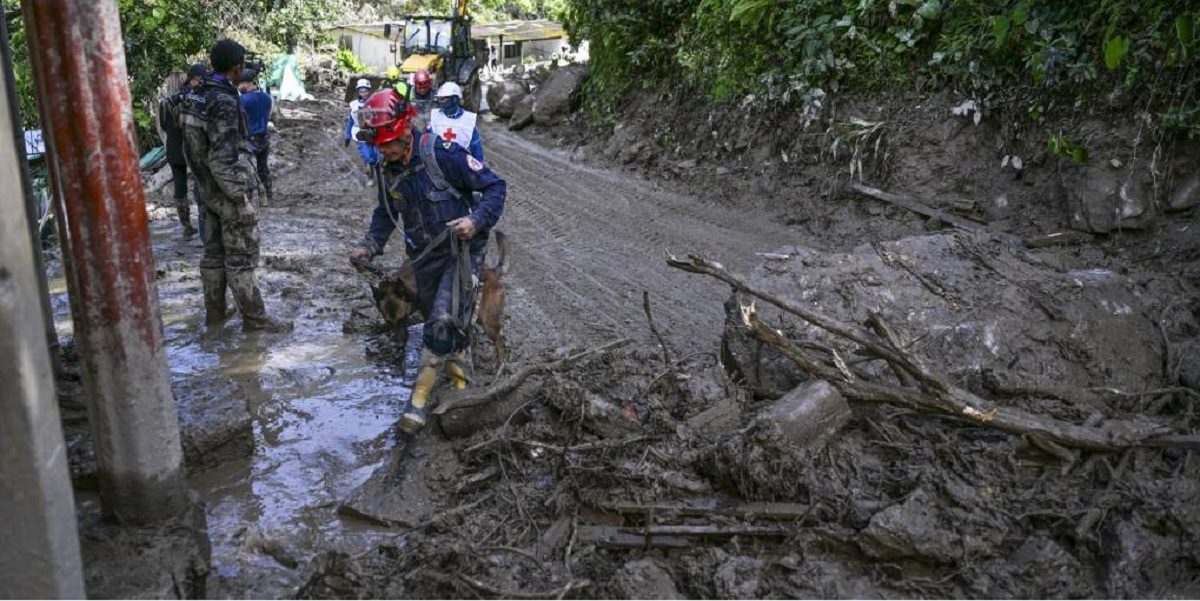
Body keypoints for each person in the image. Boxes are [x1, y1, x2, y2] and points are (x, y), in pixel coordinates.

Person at [348, 89, 506, 433]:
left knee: (440, 323)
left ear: (405, 131)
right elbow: (385, 213)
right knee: (449, 326)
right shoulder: (388, 169)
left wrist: (475, 221)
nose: (383, 150)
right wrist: (369, 246)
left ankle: (416, 404)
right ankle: (464, 387)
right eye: (379, 144)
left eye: (388, 143)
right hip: (423, 259)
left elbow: (496, 187)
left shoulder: (443, 154)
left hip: (461, 254)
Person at [181, 38, 293, 333]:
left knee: (213, 254)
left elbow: (194, 149)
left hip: (206, 190)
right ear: (236, 67)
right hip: (228, 193)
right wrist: (242, 198)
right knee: (241, 258)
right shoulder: (224, 102)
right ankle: (255, 319)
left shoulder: (194, 96)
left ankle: (215, 315)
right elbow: (223, 158)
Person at [159, 63, 208, 237]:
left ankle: (186, 225)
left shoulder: (165, 103)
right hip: (192, 147)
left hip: (173, 147)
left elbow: (164, 126)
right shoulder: (193, 98)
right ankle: (204, 221)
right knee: (200, 183)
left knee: (180, 188)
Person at [238, 68, 274, 202]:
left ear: (246, 84)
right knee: (263, 168)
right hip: (264, 137)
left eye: (239, 84)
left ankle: (249, 198)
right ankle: (268, 195)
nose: (238, 87)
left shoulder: (242, 100)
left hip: (250, 139)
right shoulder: (267, 98)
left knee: (247, 170)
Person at [430, 81, 484, 161]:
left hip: (460, 165)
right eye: (439, 99)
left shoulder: (468, 121)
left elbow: (477, 151)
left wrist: (479, 169)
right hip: (439, 164)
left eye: (443, 99)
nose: (440, 102)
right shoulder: (434, 116)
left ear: (454, 99)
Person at [344, 78, 380, 183]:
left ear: (369, 91)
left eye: (365, 90)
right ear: (358, 91)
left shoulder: (375, 103)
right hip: (360, 133)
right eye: (361, 90)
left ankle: (380, 176)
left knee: (377, 156)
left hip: (374, 132)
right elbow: (350, 121)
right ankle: (370, 177)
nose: (363, 93)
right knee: (367, 156)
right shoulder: (353, 105)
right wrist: (347, 136)